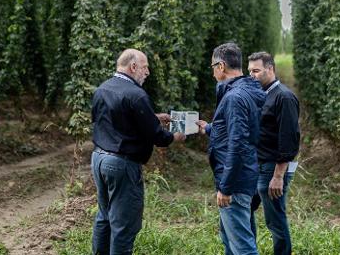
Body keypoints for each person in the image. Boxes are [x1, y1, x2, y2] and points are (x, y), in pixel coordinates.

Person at [90, 48, 186, 255]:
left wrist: (152, 116)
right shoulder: (136, 94)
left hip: (98, 158)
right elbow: (157, 137)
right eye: (145, 67)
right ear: (133, 67)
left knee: (104, 216)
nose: (148, 72)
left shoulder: (102, 89)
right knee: (124, 225)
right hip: (122, 165)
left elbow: (114, 120)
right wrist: (175, 137)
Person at [197, 43, 266, 255]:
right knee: (231, 241)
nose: (212, 71)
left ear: (221, 66)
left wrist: (226, 187)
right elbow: (238, 130)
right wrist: (209, 128)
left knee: (243, 247)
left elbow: (238, 143)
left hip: (235, 182)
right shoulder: (247, 91)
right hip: (247, 174)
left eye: (212, 66)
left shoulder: (234, 98)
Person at [247, 52, 300, 255]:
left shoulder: (284, 97)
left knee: (275, 219)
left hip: (272, 168)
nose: (252, 75)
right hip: (254, 166)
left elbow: (289, 139)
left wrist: (278, 176)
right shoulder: (259, 95)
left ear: (270, 69)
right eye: (249, 71)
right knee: (243, 210)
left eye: (256, 71)